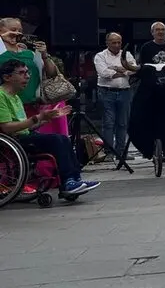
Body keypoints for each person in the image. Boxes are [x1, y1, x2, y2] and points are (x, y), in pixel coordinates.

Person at [0, 60, 99, 198]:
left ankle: (74, 179)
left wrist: (46, 118)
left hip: (23, 136)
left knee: (63, 139)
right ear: (7, 77)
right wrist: (37, 118)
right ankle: (69, 181)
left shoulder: (15, 97)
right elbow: (6, 127)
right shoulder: (1, 96)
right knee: (57, 140)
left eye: (27, 72)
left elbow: (26, 125)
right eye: (22, 73)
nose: (27, 76)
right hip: (12, 141)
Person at [94, 32, 137, 159]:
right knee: (108, 123)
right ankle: (109, 152)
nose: (117, 45)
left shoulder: (127, 54)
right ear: (107, 43)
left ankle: (121, 152)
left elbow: (134, 69)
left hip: (125, 91)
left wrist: (116, 69)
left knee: (122, 123)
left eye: (119, 42)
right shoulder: (100, 56)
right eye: (114, 42)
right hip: (106, 92)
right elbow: (103, 73)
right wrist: (123, 70)